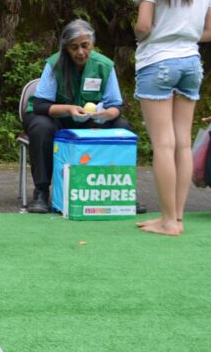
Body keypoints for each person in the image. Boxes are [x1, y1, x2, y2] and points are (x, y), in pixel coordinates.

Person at [133, 0, 211, 236]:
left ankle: (167, 221)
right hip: (191, 64)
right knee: (182, 142)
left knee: (163, 143)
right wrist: (184, 33)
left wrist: (142, 34)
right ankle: (176, 218)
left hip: (158, 61)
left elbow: (144, 25)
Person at [22, 19, 135, 213]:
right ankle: (41, 192)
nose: (80, 52)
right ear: (66, 48)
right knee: (40, 126)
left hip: (90, 121)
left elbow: (116, 105)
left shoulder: (104, 65)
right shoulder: (54, 64)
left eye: (85, 46)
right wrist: (69, 109)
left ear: (92, 45)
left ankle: (122, 192)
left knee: (122, 127)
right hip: (56, 119)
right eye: (74, 47)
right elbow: (40, 105)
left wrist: (108, 114)